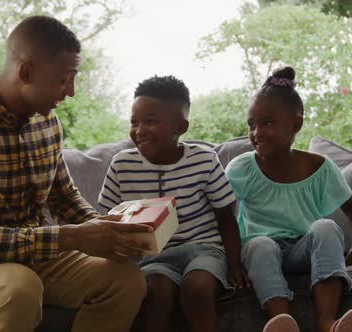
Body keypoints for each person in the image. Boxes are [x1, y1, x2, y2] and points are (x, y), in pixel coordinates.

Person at [0, 15, 154, 332]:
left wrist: (107, 231)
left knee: (126, 280)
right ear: (26, 72)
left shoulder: (47, 123)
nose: (70, 91)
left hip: (34, 253)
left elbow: (63, 197)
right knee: (18, 289)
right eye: (63, 80)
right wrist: (72, 237)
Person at [225, 66, 352, 332]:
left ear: (296, 124)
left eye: (267, 123)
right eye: (251, 124)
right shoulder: (241, 168)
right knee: (261, 244)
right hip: (259, 252)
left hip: (303, 249)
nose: (256, 133)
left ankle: (328, 323)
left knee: (325, 226)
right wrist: (231, 262)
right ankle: (282, 323)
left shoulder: (320, 167)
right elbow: (223, 216)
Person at [98, 75, 248, 332]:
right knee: (157, 291)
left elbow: (226, 215)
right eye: (134, 122)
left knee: (197, 288)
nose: (139, 130)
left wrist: (234, 264)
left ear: (180, 127)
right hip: (153, 258)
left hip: (204, 250)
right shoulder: (122, 164)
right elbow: (106, 220)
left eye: (151, 122)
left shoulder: (204, 160)